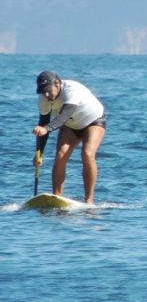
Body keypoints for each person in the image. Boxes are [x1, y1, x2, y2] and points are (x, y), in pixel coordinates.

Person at [32, 71, 106, 204]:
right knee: (60, 155)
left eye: (48, 90)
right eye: (43, 91)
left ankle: (89, 200)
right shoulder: (43, 100)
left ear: (57, 83)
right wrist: (39, 154)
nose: (46, 95)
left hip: (94, 121)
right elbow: (43, 123)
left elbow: (63, 116)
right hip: (71, 125)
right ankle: (56, 198)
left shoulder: (71, 90)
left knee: (87, 154)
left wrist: (46, 128)